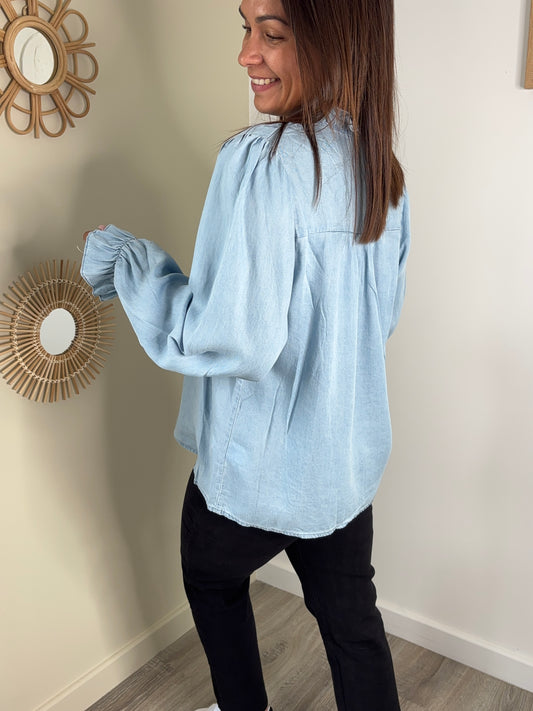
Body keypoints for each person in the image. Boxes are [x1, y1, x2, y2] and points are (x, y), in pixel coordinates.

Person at [81, 0, 410, 709]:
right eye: (246, 27)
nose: (246, 54)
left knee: (209, 577)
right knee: (353, 624)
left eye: (273, 33)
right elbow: (377, 318)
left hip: (259, 467)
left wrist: (128, 262)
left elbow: (229, 338)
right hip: (341, 460)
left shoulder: (262, 163)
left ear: (335, 41)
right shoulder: (378, 164)